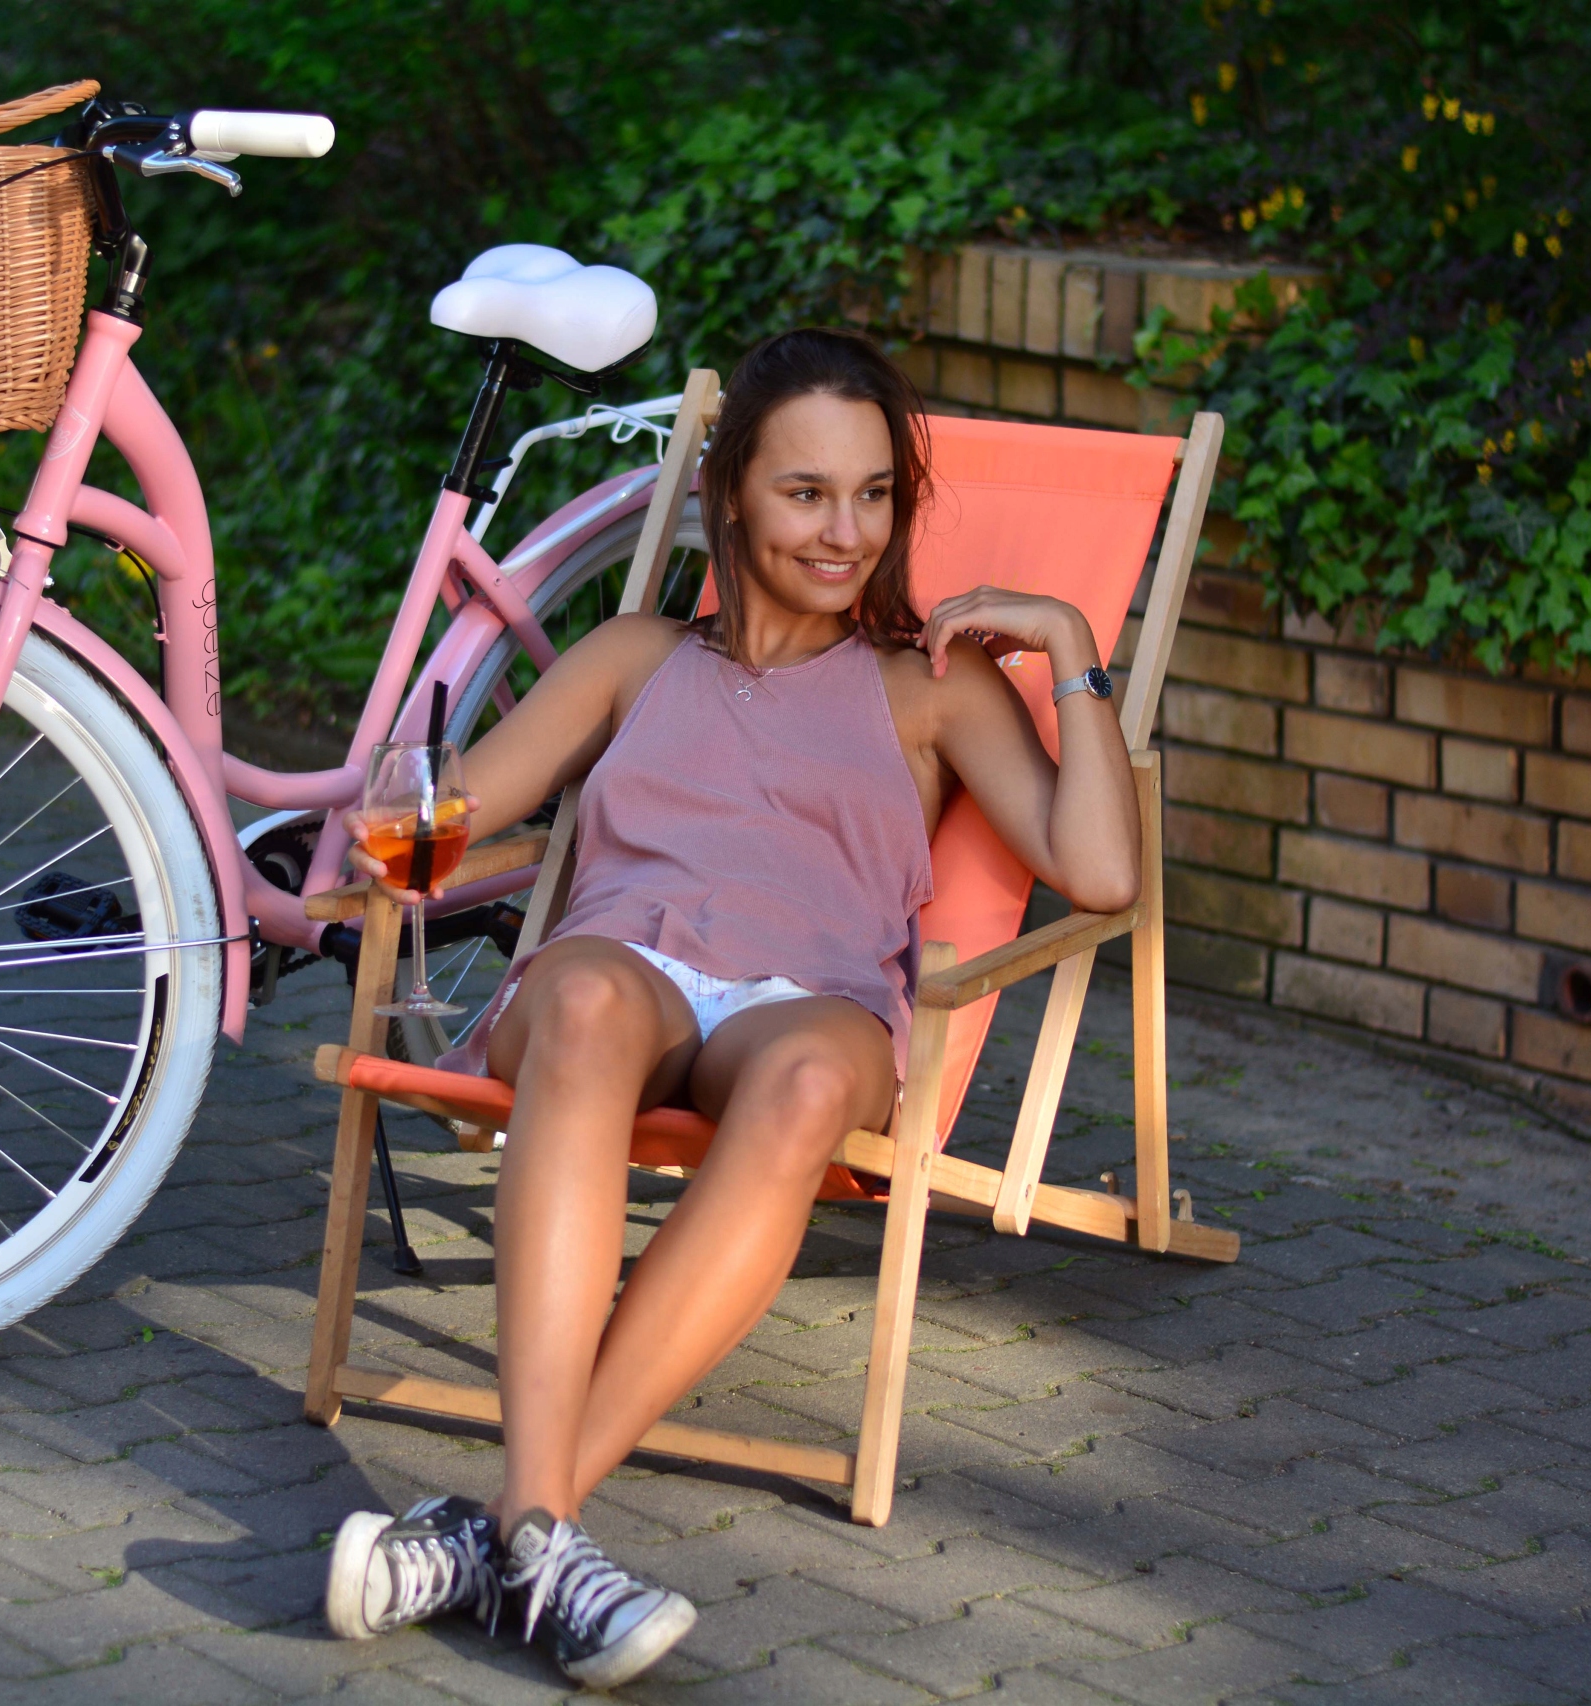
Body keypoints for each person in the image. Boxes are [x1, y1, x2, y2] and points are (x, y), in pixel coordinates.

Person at [321, 326, 1142, 1689]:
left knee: (813, 1077)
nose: (846, 532)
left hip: (805, 1005)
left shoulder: (932, 688)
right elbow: (444, 820)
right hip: (620, 971)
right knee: (586, 998)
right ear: (731, 494)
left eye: (873, 495)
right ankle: (542, 1542)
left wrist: (1070, 647)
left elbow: (1102, 872)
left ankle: (510, 1529)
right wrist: (381, 843)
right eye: (807, 492)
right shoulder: (634, 657)